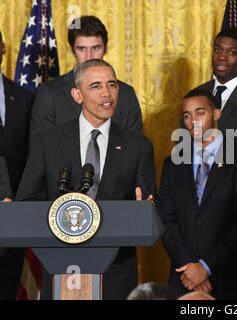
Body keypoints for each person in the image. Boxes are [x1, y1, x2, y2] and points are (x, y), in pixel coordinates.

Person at [15, 59, 157, 300]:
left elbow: (151, 207)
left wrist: (146, 211)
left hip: (115, 273)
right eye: (96, 86)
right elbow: (26, 204)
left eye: (112, 84)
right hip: (61, 269)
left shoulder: (138, 146)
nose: (107, 93)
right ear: (77, 94)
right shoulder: (47, 142)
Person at [160, 89, 237, 299]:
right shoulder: (172, 164)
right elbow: (166, 220)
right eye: (187, 115)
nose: (192, 121)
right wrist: (189, 266)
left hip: (229, 278)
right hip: (183, 278)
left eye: (200, 113)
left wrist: (205, 267)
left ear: (216, 114)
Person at [30, 15, 142, 136]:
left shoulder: (126, 94)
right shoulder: (49, 93)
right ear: (72, 50)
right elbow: (40, 149)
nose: (89, 56)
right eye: (82, 49)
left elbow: (136, 150)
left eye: (95, 48)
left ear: (106, 49)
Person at [0, 29, 34, 300]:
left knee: (8, 287)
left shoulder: (24, 99)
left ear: (2, 49)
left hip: (13, 215)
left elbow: (30, 156)